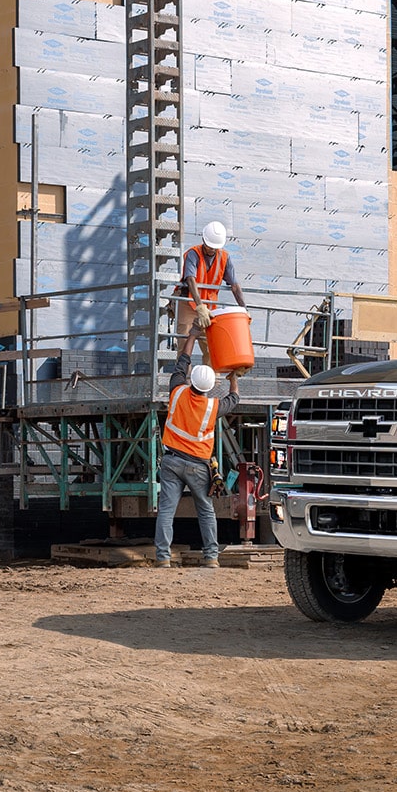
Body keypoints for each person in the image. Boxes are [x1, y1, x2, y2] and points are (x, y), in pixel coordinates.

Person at [154, 354, 240, 568]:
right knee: (205, 510)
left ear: (191, 379)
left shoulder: (177, 391)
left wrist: (192, 334)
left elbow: (181, 364)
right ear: (210, 387)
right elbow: (234, 399)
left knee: (166, 510)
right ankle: (211, 557)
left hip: (172, 461)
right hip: (198, 466)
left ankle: (163, 558)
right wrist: (233, 379)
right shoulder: (212, 407)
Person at [177, 221, 249, 379]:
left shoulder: (224, 257)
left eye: (215, 247)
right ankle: (182, 382)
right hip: (189, 304)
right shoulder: (193, 254)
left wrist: (244, 309)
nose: (211, 250)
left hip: (210, 307)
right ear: (203, 240)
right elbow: (190, 279)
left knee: (211, 347)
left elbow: (234, 285)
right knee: (184, 342)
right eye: (209, 246)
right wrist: (199, 306)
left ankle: (210, 383)